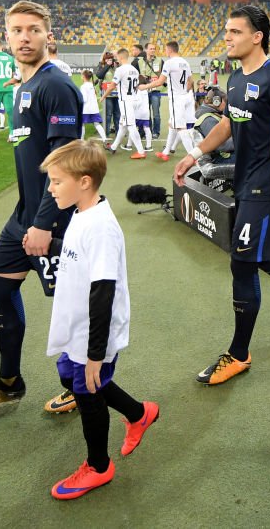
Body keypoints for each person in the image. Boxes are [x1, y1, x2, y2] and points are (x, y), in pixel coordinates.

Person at [172, 5, 270, 386]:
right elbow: (227, 124)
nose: (227, 37)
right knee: (256, 254)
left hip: (268, 186)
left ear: (256, 36)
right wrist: (193, 155)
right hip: (244, 181)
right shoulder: (235, 79)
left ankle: (238, 354)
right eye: (226, 31)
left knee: (242, 263)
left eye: (234, 31)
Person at [0, 0, 83, 416]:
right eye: (16, 30)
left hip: (56, 223)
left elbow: (65, 162)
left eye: (33, 29)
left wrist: (46, 224)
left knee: (70, 310)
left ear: (49, 34)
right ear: (6, 36)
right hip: (22, 218)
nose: (24, 37)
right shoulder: (22, 88)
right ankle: (9, 382)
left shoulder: (55, 86)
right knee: (0, 288)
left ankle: (79, 388)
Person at [41, 140, 159, 500]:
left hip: (95, 333)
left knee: (88, 389)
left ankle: (98, 467)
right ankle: (140, 413)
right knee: (70, 376)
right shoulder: (80, 212)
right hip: (79, 326)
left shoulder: (102, 228)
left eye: (57, 181)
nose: (51, 188)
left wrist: (95, 354)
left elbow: (103, 293)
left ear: (85, 181)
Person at [138, 41, 194, 161]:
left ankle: (193, 156)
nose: (165, 51)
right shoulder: (185, 62)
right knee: (172, 125)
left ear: (169, 50)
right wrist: (184, 92)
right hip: (185, 97)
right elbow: (191, 82)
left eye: (165, 49)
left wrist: (143, 87)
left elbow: (159, 82)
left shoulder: (169, 63)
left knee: (181, 128)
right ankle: (166, 151)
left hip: (176, 99)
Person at [103, 48, 146, 158]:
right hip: (134, 99)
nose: (116, 58)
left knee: (131, 126)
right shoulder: (134, 70)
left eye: (117, 56)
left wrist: (104, 96)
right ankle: (113, 147)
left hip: (126, 101)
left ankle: (141, 152)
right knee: (123, 125)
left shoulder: (120, 70)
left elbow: (112, 85)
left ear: (121, 57)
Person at [135, 42, 164, 139]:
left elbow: (165, 74)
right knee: (146, 113)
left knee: (156, 113)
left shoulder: (160, 60)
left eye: (154, 49)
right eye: (150, 48)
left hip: (156, 90)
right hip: (144, 91)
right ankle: (148, 131)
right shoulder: (139, 61)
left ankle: (156, 132)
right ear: (146, 50)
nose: (152, 50)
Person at [79, 69, 107, 142]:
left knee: (81, 125)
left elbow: (84, 99)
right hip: (94, 109)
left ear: (84, 77)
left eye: (82, 75)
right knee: (97, 124)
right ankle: (105, 139)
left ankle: (81, 141)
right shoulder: (92, 85)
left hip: (85, 109)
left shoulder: (83, 86)